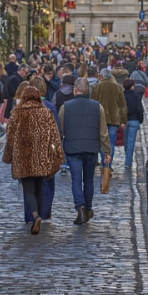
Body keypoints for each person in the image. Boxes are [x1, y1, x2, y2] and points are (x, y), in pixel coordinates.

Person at [3, 87, 65, 235]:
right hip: (41, 157)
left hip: (23, 157)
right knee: (39, 187)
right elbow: (55, 136)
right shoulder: (45, 113)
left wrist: (8, 155)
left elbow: (9, 136)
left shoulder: (17, 113)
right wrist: (58, 155)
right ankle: (39, 215)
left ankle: (35, 215)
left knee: (28, 189)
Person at [59, 77, 111, 225]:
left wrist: (58, 149)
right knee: (88, 180)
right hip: (91, 149)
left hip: (72, 149)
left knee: (76, 180)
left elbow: (60, 130)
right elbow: (103, 132)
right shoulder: (97, 107)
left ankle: (80, 208)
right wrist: (107, 151)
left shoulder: (66, 107)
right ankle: (88, 208)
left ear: (75, 89)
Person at [25, 76, 61, 223]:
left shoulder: (23, 107)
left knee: (29, 185)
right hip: (46, 151)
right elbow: (56, 132)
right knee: (46, 183)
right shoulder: (50, 107)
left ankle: (31, 215)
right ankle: (44, 213)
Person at [91, 68, 127, 167]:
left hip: (100, 119)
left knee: (102, 142)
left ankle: (104, 164)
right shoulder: (117, 87)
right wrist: (123, 120)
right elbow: (122, 105)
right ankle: (108, 165)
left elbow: (93, 104)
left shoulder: (96, 87)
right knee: (111, 142)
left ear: (101, 76)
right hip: (114, 119)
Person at [122, 78, 144, 169]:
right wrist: (140, 120)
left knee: (126, 141)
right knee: (131, 142)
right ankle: (128, 162)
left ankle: (128, 159)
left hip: (124, 121)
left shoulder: (122, 95)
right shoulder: (136, 95)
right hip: (134, 120)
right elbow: (139, 109)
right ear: (132, 86)